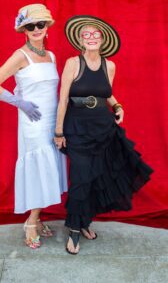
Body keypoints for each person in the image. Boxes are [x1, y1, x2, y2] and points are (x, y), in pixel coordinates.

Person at [54, 15, 153, 254]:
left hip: (103, 127)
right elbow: (63, 99)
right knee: (80, 178)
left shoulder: (110, 65)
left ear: (102, 39)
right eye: (86, 35)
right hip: (77, 128)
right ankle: (74, 230)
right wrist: (58, 131)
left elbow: (107, 93)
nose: (91, 38)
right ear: (80, 40)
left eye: (95, 35)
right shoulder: (72, 63)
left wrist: (118, 106)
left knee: (97, 177)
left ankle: (85, 221)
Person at [0, 4, 67, 249]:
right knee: (38, 169)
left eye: (40, 24)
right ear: (24, 29)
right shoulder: (20, 55)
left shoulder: (51, 56)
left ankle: (37, 217)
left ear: (47, 28)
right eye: (30, 26)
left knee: (49, 168)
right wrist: (19, 102)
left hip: (53, 119)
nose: (36, 29)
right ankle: (31, 221)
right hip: (33, 122)